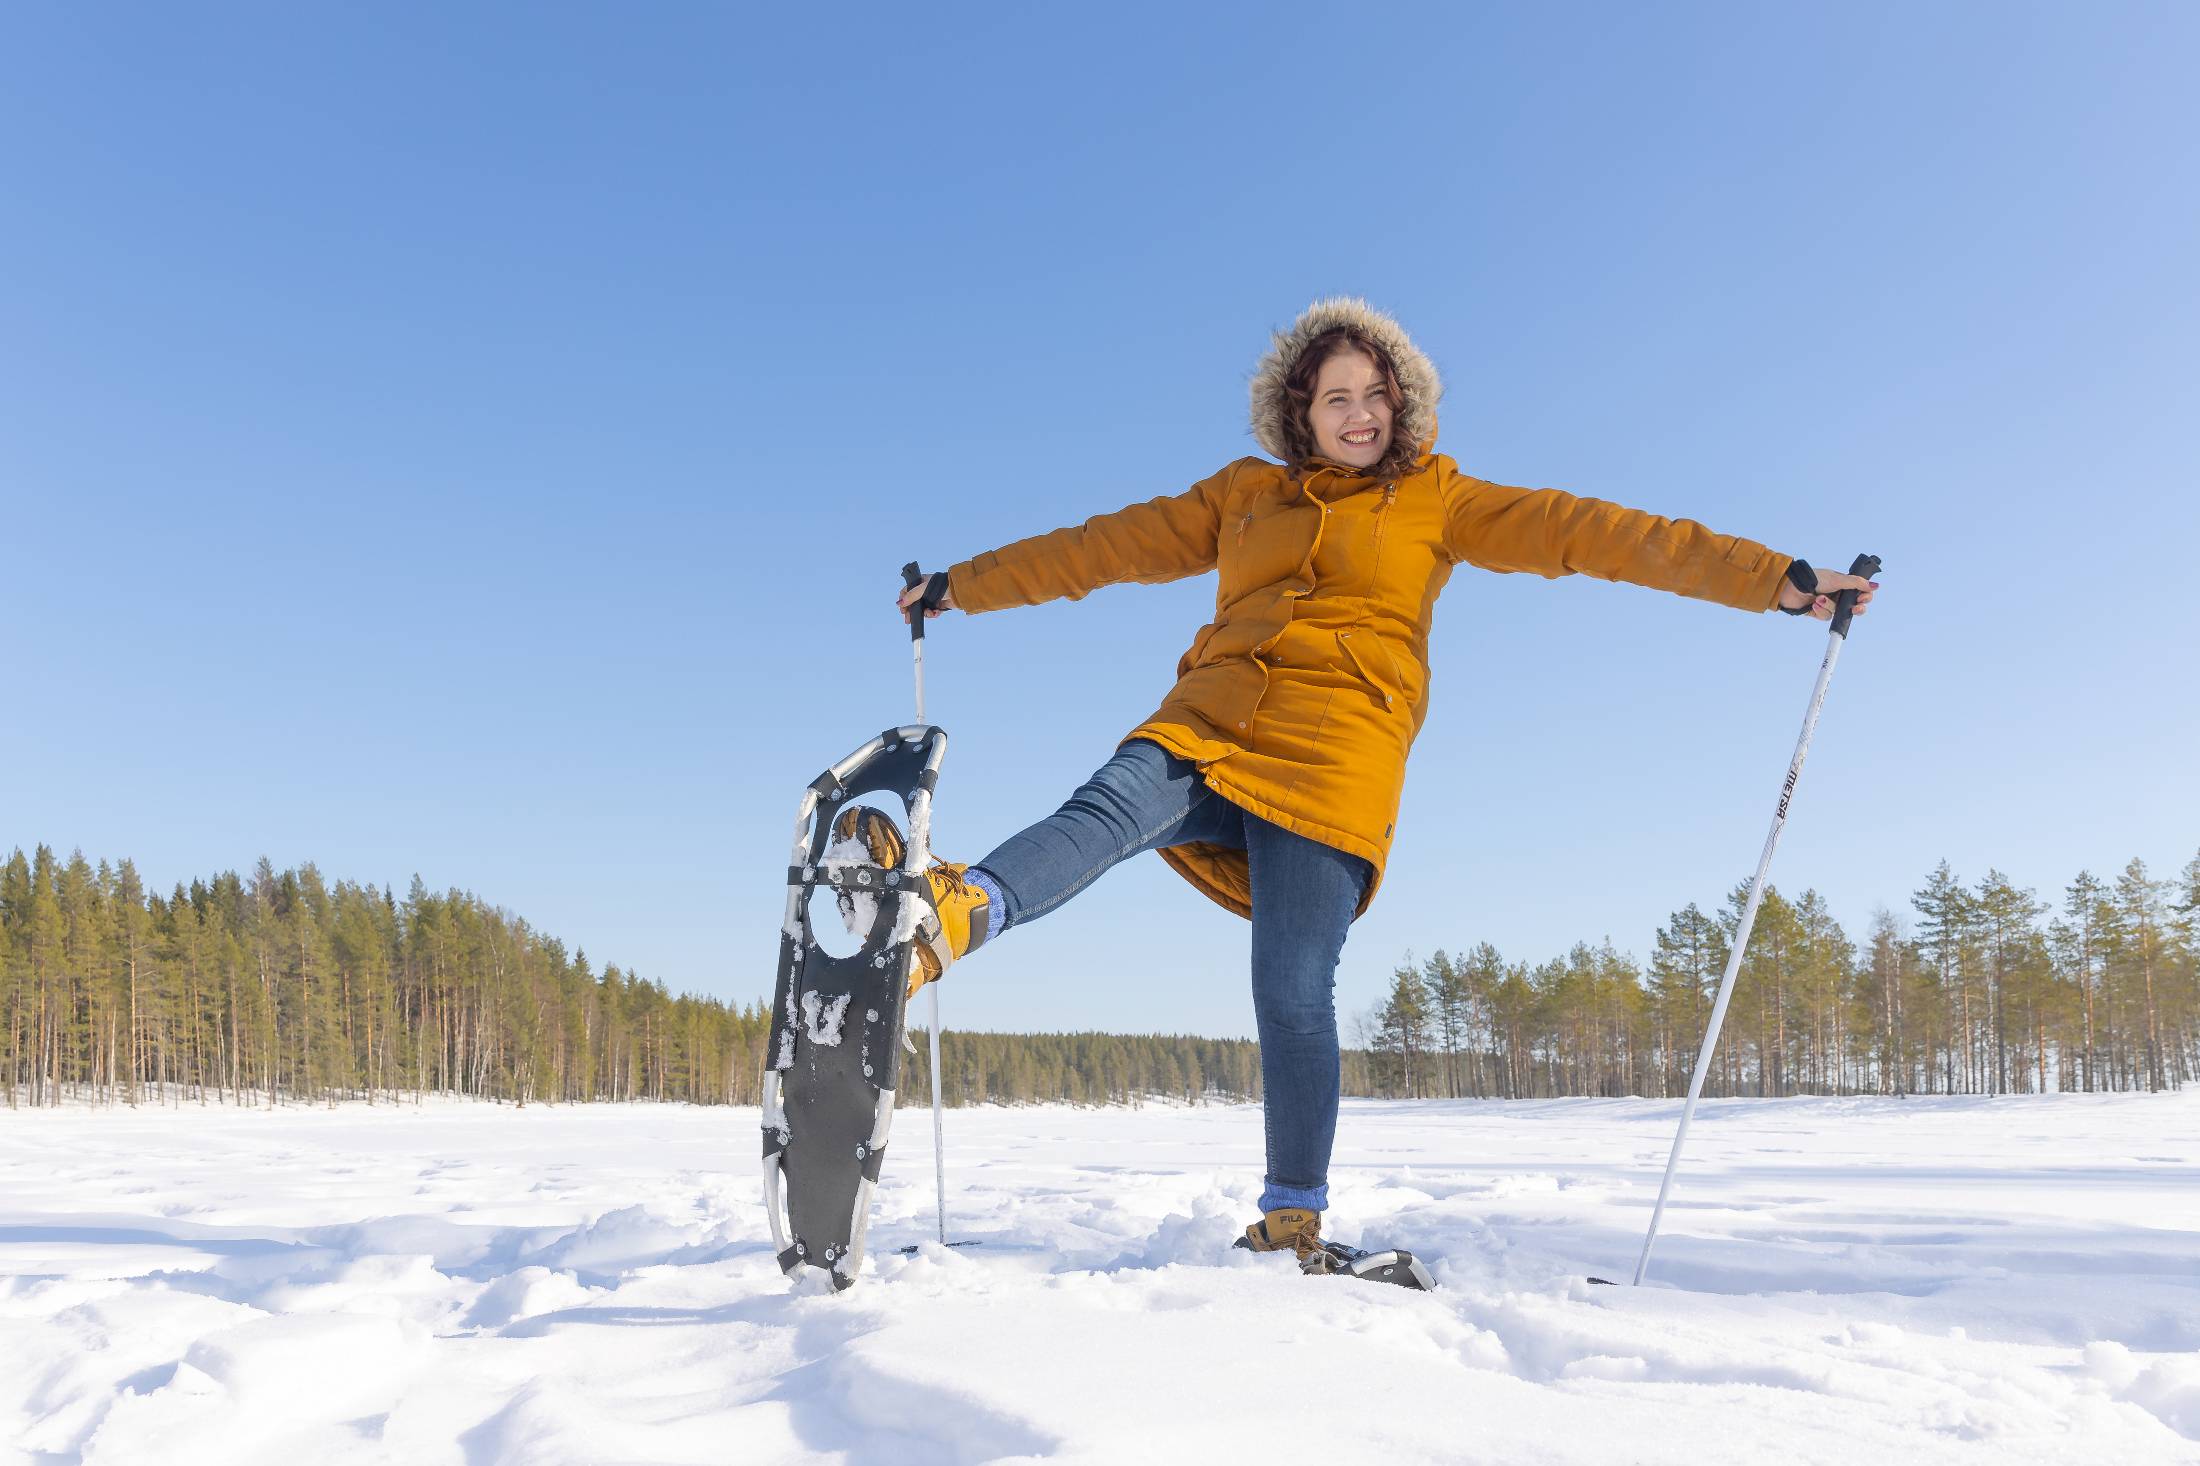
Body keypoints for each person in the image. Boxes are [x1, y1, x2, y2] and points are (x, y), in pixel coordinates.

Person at [842, 297, 1876, 1275]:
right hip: (1212, 715)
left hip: (1337, 754)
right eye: (1335, 396)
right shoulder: (1242, 494)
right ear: (1301, 410)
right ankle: (941, 917)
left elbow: (1594, 531)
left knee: (1290, 991)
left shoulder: (1442, 499)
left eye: (1375, 396)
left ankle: (1293, 1215)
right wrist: (959, 587)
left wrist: (1772, 578)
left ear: (1404, 406)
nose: (1358, 414)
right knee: (1106, 808)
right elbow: (1098, 547)